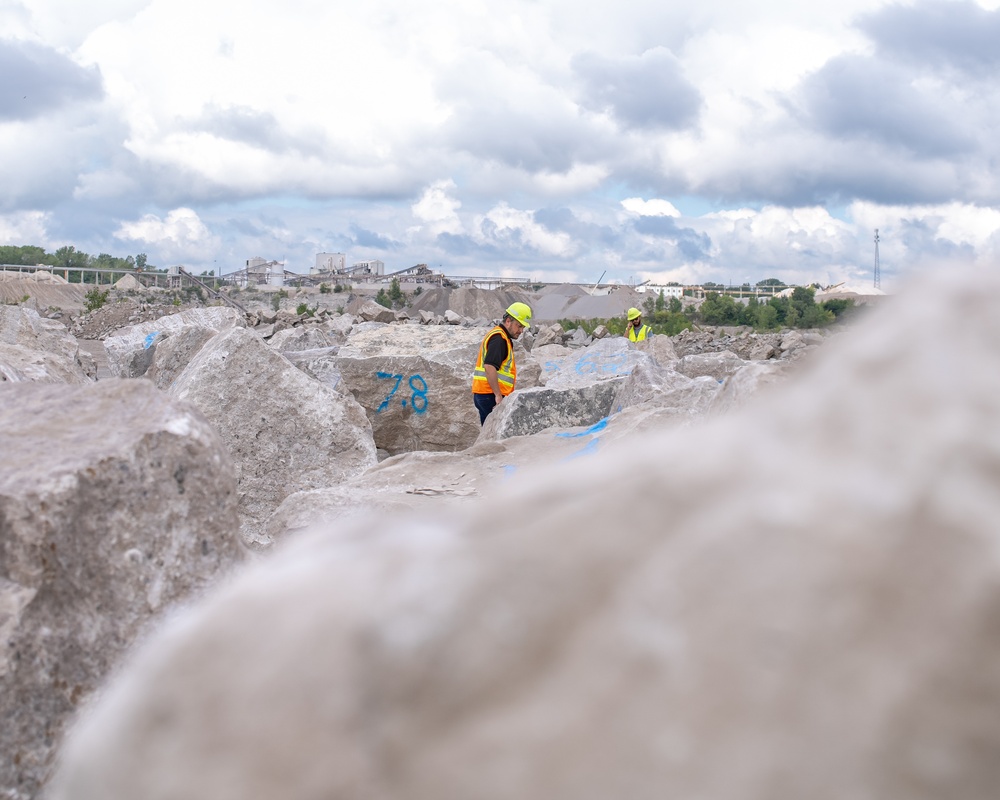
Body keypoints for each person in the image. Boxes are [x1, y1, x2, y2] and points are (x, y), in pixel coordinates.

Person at [472, 302, 532, 425]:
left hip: (485, 393)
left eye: (522, 328)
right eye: (519, 326)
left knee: (489, 433)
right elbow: (489, 366)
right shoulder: (499, 339)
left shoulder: (500, 336)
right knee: (492, 438)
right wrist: (498, 396)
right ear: (508, 321)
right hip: (490, 395)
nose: (521, 331)